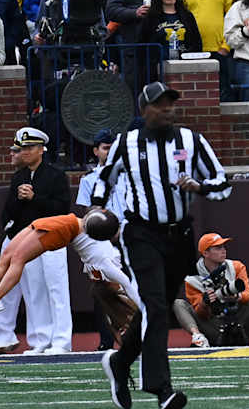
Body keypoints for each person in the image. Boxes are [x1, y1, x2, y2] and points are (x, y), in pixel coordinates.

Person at [91, 81, 233, 409]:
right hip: (140, 234)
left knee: (157, 310)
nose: (167, 109)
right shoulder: (126, 144)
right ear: (144, 110)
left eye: (170, 103)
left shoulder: (190, 141)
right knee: (154, 307)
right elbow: (104, 177)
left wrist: (199, 187)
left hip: (178, 235)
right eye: (159, 104)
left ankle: (120, 361)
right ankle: (161, 389)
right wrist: (97, 208)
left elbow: (222, 182)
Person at [0, 208, 140, 347]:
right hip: (68, 225)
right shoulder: (108, 265)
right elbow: (126, 283)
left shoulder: (102, 268)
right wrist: (143, 306)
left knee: (17, 258)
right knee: (8, 255)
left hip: (67, 226)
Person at [0, 126, 72, 354]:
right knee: (34, 291)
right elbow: (12, 212)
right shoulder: (20, 176)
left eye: (29, 148)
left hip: (53, 238)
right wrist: (20, 199)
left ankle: (62, 341)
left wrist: (35, 198)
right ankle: (40, 340)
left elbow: (62, 209)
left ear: (41, 150)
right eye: (23, 148)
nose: (24, 152)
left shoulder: (56, 175)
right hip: (31, 241)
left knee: (57, 290)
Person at [174, 232, 249, 346]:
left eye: (223, 247)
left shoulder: (236, 266)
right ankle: (198, 337)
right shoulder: (192, 278)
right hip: (213, 325)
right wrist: (204, 303)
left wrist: (236, 296)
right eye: (218, 248)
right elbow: (200, 313)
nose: (223, 250)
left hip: (238, 320)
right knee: (178, 303)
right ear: (205, 253)